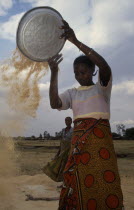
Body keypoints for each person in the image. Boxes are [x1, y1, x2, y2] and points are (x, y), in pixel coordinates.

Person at [48, 20, 124, 210]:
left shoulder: (102, 88)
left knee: (105, 181)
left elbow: (105, 66)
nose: (79, 75)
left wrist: (75, 41)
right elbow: (54, 103)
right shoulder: (72, 93)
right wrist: (54, 72)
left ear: (92, 71)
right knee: (77, 181)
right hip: (79, 146)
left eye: (83, 71)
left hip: (101, 145)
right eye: (76, 73)